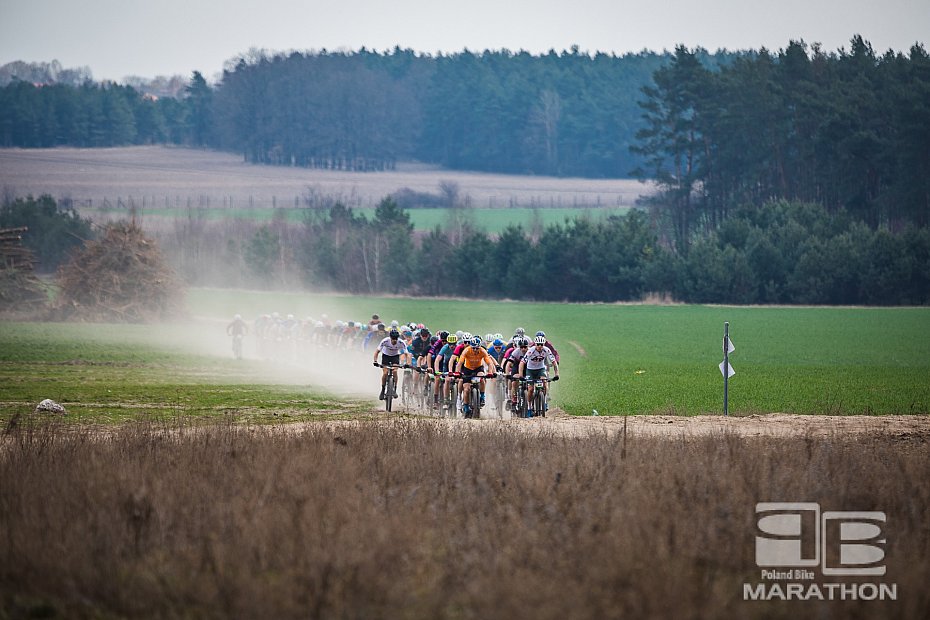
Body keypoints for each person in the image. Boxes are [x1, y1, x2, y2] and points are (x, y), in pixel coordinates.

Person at [515, 335, 559, 417]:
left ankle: (544, 401)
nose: (540, 346)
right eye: (538, 344)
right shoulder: (531, 351)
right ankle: (529, 407)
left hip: (541, 369)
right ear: (535, 344)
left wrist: (557, 374)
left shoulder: (546, 350)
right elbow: (522, 363)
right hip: (530, 370)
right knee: (531, 389)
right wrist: (521, 375)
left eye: (541, 344)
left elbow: (554, 362)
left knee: (545, 383)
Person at [455, 335, 498, 418]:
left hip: (478, 368)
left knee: (482, 378)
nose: (475, 350)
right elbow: (460, 363)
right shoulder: (466, 351)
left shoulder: (483, 351)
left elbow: (489, 363)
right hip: (467, 369)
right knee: (466, 389)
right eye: (473, 348)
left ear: (479, 347)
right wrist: (457, 372)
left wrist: (490, 372)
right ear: (471, 347)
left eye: (477, 348)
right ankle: (466, 407)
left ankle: (482, 396)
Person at [373, 328, 407, 400]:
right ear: (390, 337)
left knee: (395, 371)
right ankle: (382, 390)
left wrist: (407, 363)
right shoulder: (385, 341)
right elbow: (377, 351)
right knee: (385, 373)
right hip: (386, 356)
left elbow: (407, 354)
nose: (394, 340)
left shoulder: (401, 342)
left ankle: (394, 389)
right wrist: (375, 361)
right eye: (393, 338)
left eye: (396, 339)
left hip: (395, 357)